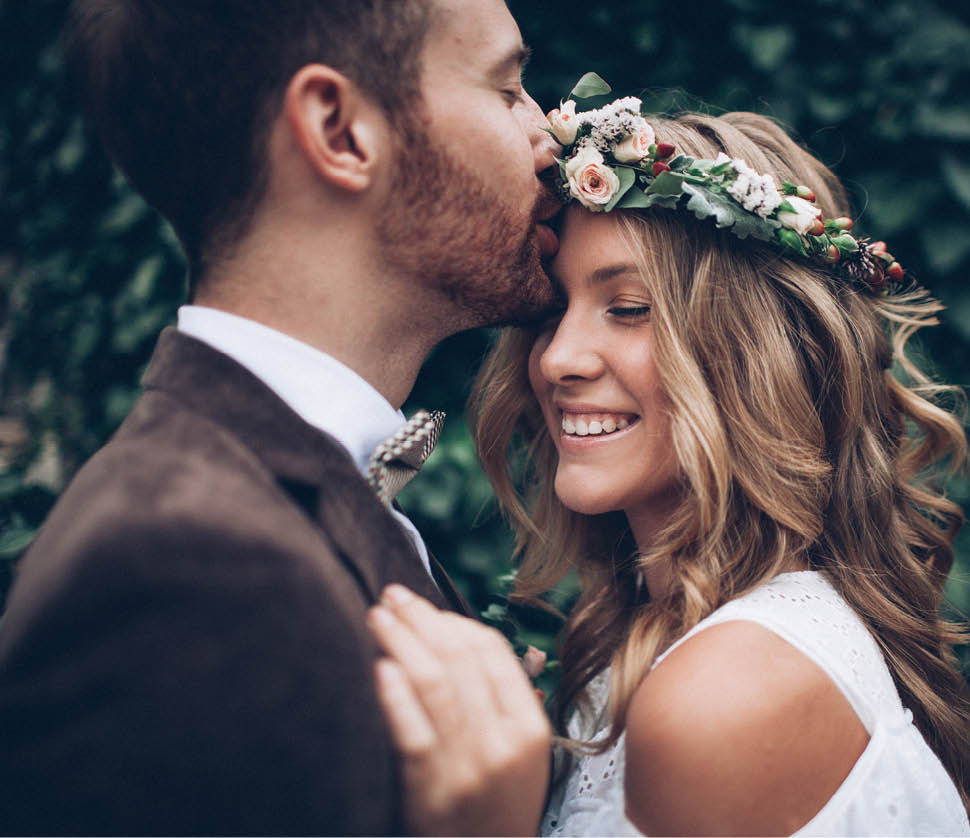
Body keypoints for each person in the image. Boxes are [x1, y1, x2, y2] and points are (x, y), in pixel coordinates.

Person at [0, 0, 560, 833]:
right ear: (339, 130)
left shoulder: (282, 492)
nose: (549, 135)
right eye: (507, 87)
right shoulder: (179, 566)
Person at [367, 96, 970, 835]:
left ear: (758, 355)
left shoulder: (725, 693)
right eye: (549, 313)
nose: (558, 359)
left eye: (628, 308)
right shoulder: (660, 641)